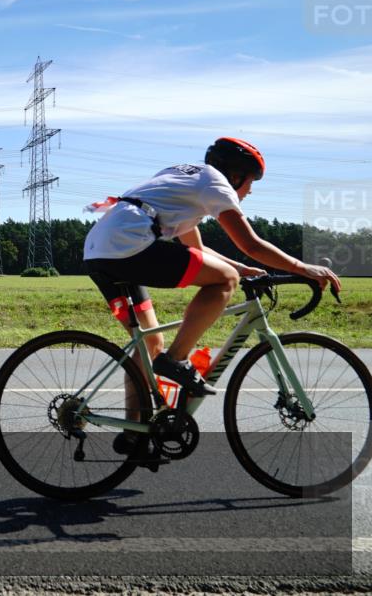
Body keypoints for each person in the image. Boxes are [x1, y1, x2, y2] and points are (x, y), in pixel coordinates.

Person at [82, 137, 342, 454]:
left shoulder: (188, 181)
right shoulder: (215, 184)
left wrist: (241, 268)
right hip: (128, 243)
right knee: (223, 282)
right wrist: (303, 268)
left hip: (103, 246)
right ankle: (176, 361)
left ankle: (133, 433)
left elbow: (196, 250)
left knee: (150, 342)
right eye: (249, 184)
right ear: (236, 176)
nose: (247, 192)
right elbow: (251, 243)